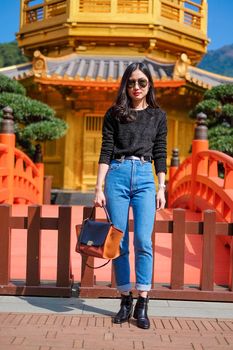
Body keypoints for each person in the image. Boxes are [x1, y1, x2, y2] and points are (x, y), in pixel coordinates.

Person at [94, 62, 167, 329]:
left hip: (146, 177)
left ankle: (143, 302)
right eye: (132, 82)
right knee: (119, 242)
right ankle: (125, 298)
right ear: (125, 84)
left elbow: (160, 152)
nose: (136, 87)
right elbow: (105, 150)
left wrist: (162, 187)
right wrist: (98, 187)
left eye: (142, 82)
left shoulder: (159, 115)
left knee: (144, 242)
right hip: (118, 174)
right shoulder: (114, 114)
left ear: (149, 85)